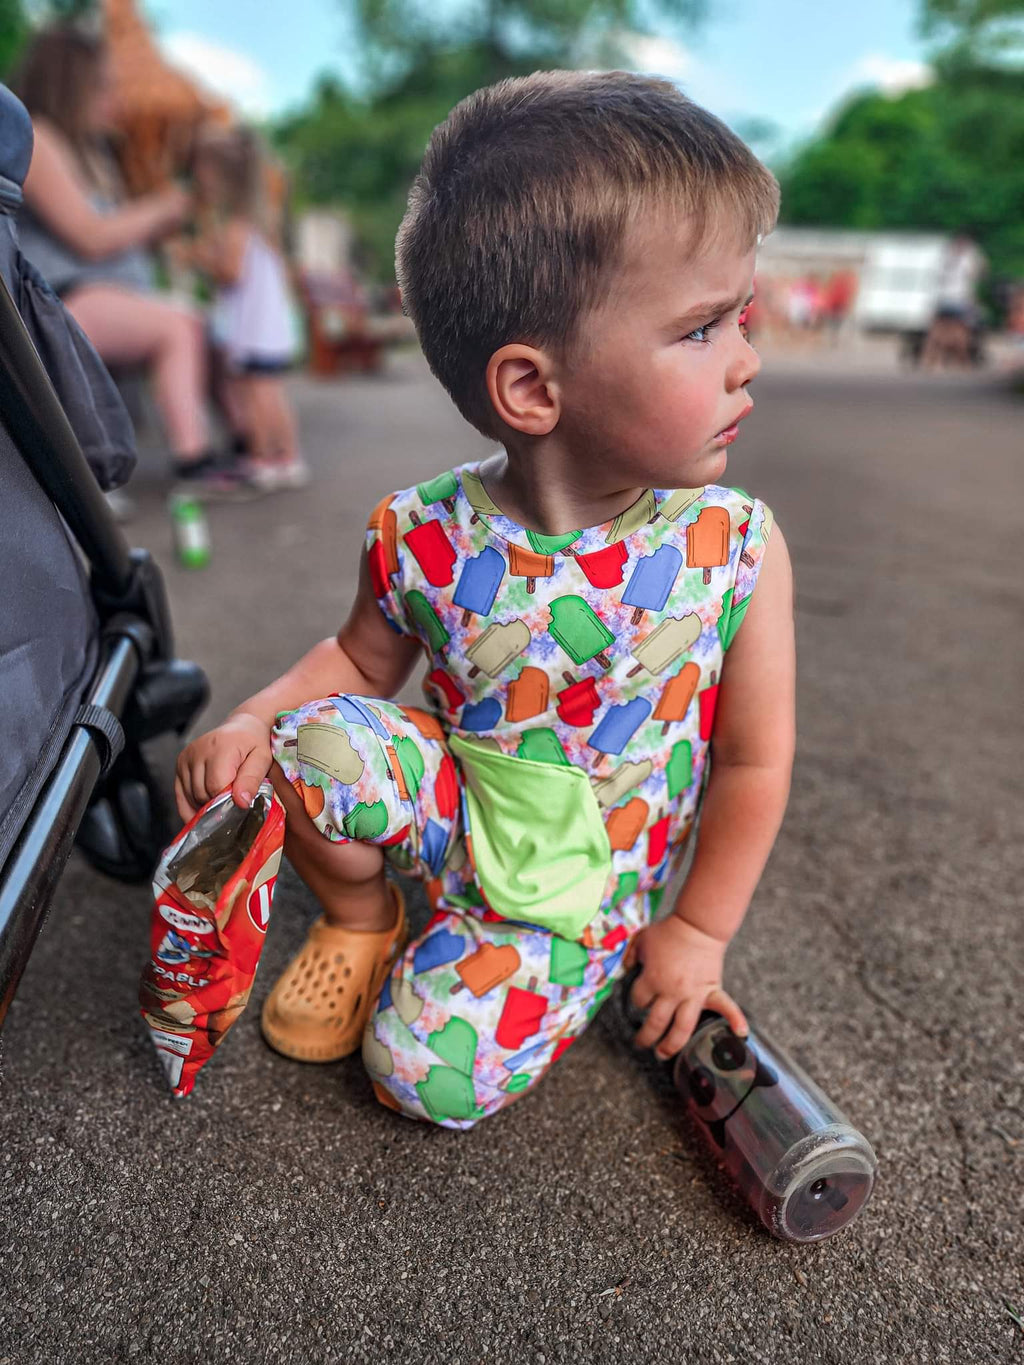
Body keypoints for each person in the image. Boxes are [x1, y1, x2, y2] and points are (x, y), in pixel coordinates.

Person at [175, 71, 795, 1130]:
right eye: (701, 330)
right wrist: (247, 721)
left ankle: (565, 956)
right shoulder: (419, 532)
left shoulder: (731, 546)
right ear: (533, 390)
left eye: (740, 316)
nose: (746, 360)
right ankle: (364, 918)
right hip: (460, 804)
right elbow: (360, 665)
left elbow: (752, 758)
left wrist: (694, 930)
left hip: (589, 877)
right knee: (301, 746)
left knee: (420, 1080)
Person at [11, 26, 247, 492]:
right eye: (103, 86)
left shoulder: (90, 152)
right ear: (71, 85)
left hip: (97, 296)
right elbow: (91, 237)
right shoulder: (38, 141)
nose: (114, 99)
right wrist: (164, 208)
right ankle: (193, 459)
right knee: (177, 326)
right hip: (58, 305)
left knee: (202, 322)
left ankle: (249, 442)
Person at [185, 126, 306, 490]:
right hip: (268, 327)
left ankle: (261, 458)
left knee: (254, 397)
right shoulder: (261, 224)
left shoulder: (236, 226)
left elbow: (230, 273)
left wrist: (196, 257)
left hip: (253, 330)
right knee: (273, 393)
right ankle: (287, 457)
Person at [922, 233, 987, 370]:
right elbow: (980, 273)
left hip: (942, 299)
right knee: (960, 333)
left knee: (936, 332)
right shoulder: (967, 259)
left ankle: (931, 361)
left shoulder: (943, 257)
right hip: (959, 299)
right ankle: (964, 363)